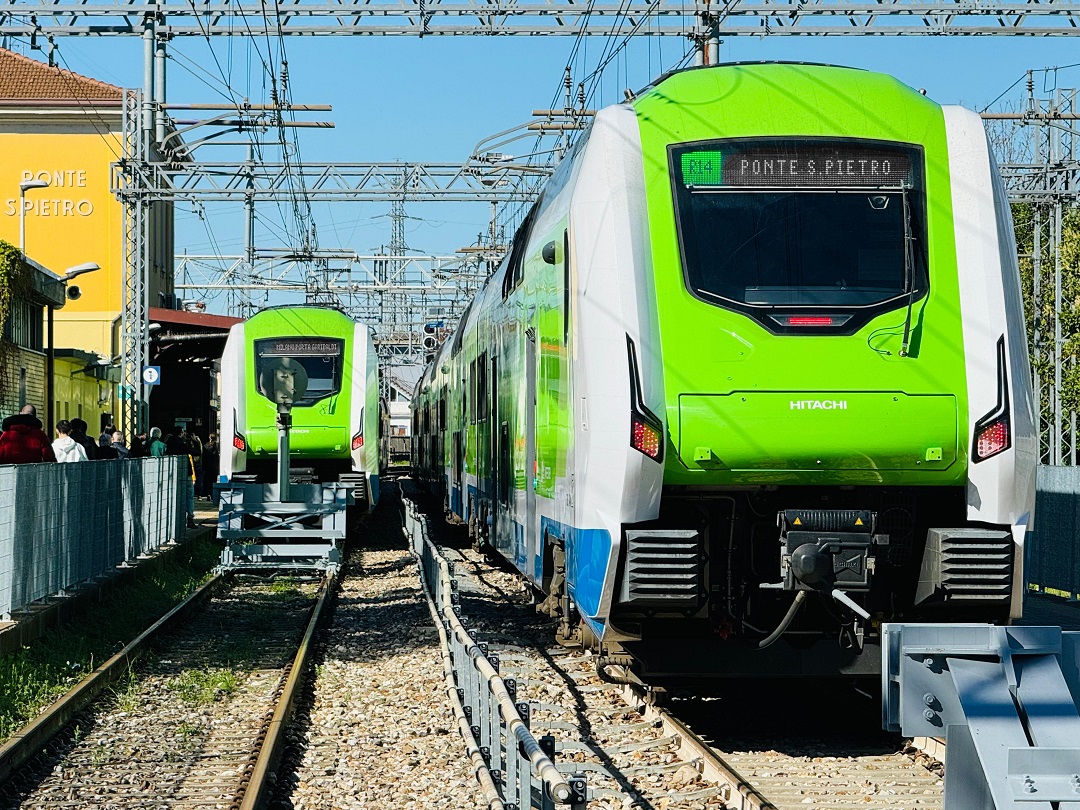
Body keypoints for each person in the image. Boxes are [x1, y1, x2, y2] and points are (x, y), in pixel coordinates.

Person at [201, 433, 220, 498]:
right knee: (214, 480)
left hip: (207, 466)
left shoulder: (205, 446)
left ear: (209, 438)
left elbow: (203, 457)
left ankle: (208, 493)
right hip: (215, 466)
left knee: (207, 480)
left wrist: (203, 466)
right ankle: (212, 494)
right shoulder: (217, 446)